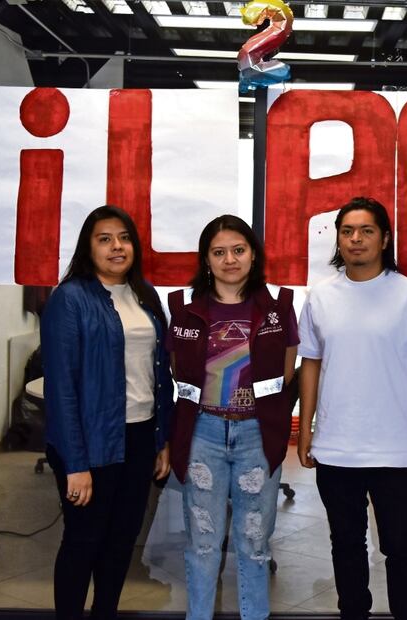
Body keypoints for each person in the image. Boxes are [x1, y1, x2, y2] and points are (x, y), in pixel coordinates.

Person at [297, 197, 407, 620]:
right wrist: (307, 428)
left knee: (401, 546)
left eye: (366, 231)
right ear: (338, 238)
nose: (356, 239)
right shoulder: (321, 297)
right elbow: (310, 364)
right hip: (336, 448)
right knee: (345, 546)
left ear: (384, 238)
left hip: (396, 452)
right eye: (347, 231)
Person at [41, 205, 174, 620]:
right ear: (89, 247)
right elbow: (61, 387)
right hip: (89, 440)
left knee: (121, 541)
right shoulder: (70, 298)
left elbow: (159, 373)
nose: (117, 247)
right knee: (84, 540)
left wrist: (161, 440)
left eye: (124, 238)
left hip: (140, 436)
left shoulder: (145, 295)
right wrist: (76, 464)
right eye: (105, 239)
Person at [166, 214, 298, 620]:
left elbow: (288, 373)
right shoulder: (184, 310)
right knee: (203, 543)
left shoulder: (279, 309)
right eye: (219, 252)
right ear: (206, 260)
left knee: (254, 543)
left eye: (238, 250)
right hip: (203, 431)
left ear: (253, 255)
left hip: (256, 434)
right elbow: (176, 371)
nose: (229, 260)